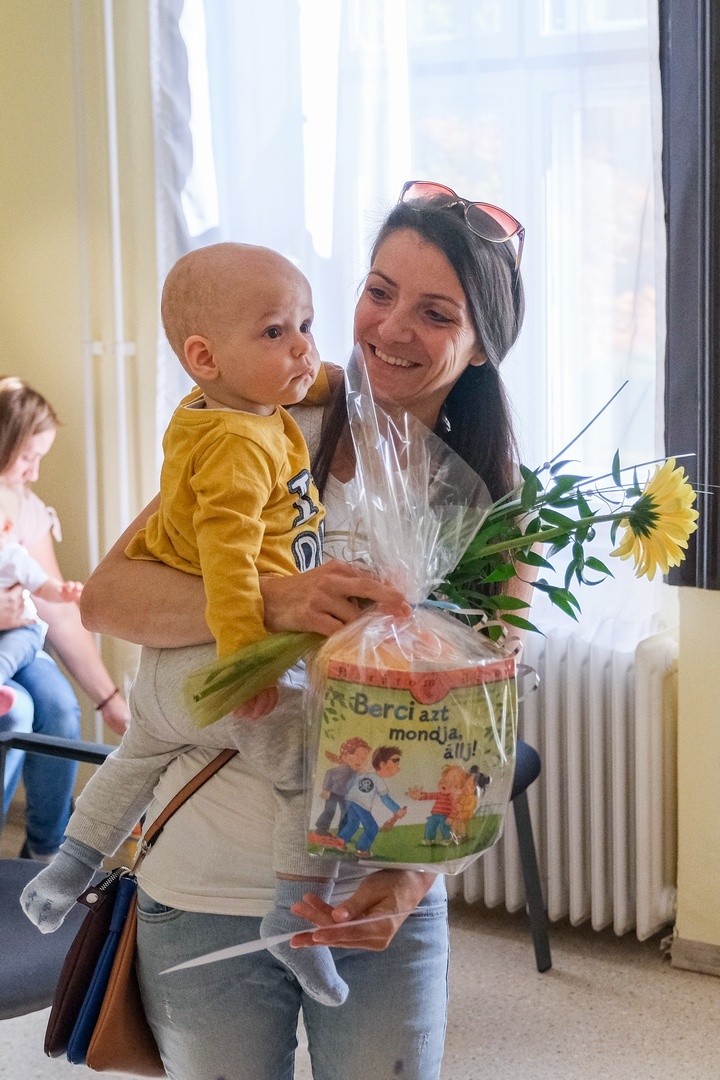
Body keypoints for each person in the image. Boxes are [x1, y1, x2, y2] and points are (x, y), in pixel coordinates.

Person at [74, 183, 531, 1080]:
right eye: (379, 291)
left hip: (374, 895)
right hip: (204, 880)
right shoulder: (268, 419)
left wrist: (411, 880)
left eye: (436, 313)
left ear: (482, 346)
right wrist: (274, 599)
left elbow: (486, 730)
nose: (390, 327)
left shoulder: (496, 510)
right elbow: (107, 598)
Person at [22, 242, 352, 1007]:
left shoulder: (225, 404)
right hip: (216, 658)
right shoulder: (238, 447)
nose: (303, 348)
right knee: (309, 762)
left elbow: (300, 374)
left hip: (164, 674)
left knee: (136, 756)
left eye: (307, 325)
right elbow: (231, 571)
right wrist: (246, 666)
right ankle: (294, 919)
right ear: (205, 356)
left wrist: (334, 376)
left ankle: (64, 874)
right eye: (277, 332)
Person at [0, 377, 130, 862]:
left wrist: (110, 700)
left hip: (20, 639)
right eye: (26, 457)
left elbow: (54, 608)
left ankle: (46, 848)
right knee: (15, 713)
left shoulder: (26, 508)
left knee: (58, 707)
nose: (34, 472)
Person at [0, 499, 83, 715]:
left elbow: (42, 585)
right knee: (19, 711)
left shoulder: (13, 558)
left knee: (10, 651)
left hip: (20, 629)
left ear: (6, 528)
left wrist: (62, 592)